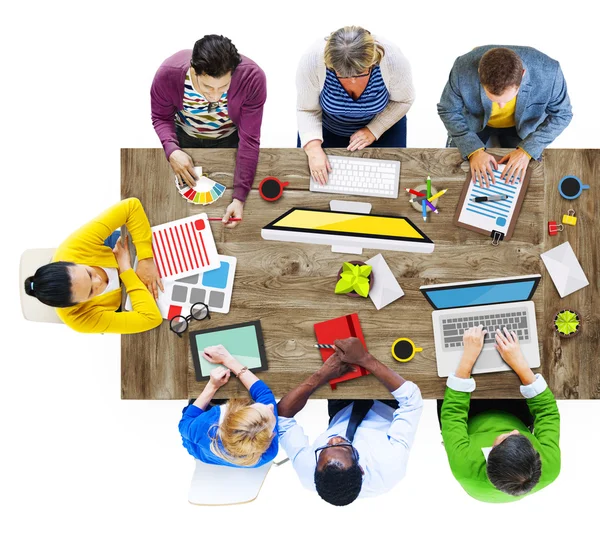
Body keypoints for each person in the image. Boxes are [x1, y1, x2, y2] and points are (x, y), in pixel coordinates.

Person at [277, 338, 423, 506]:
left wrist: (323, 374)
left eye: (325, 448)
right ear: (360, 468)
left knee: (337, 339)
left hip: (342, 409)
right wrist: (364, 359)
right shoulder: (390, 466)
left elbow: (281, 416)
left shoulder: (308, 469)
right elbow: (411, 401)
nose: (333, 439)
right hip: (388, 402)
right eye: (343, 446)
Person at [151, 34, 267, 228]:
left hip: (230, 139)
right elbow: (161, 117)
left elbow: (249, 140)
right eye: (207, 87)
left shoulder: (252, 78)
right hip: (184, 138)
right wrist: (172, 150)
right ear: (194, 70)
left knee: (222, 198)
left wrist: (239, 199)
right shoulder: (167, 74)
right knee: (182, 205)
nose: (214, 96)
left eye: (223, 87)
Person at [438, 326, 561, 503]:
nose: (515, 432)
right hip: (516, 415)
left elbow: (452, 415)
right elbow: (547, 413)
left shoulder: (464, 467)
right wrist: (520, 364)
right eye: (523, 438)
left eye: (506, 438)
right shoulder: (550, 466)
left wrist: (468, 358)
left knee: (443, 381)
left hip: (467, 423)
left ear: (489, 453)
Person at [437, 46, 572, 188]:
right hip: (474, 121)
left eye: (506, 100)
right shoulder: (461, 67)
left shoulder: (550, 71)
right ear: (479, 74)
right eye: (494, 99)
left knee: (525, 181)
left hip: (523, 126)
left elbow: (562, 114)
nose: (501, 106)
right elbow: (448, 109)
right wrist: (472, 150)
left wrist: (528, 150)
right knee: (455, 175)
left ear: (523, 74)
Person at [24, 198, 163, 334]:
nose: (99, 281)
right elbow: (150, 318)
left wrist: (146, 259)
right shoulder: (77, 319)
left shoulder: (72, 248)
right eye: (91, 291)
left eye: (89, 274)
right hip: (127, 295)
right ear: (76, 305)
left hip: (120, 250)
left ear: (70, 262)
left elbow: (131, 207)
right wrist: (125, 271)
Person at [297, 26, 415, 185]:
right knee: (313, 187)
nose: (352, 81)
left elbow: (404, 100)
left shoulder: (393, 59)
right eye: (342, 75)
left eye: (359, 74)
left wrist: (374, 129)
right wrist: (313, 149)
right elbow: (307, 109)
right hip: (327, 129)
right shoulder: (312, 60)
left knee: (385, 187)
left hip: (384, 127)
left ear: (373, 62)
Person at [179, 345, 278, 467]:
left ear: (233, 414)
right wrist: (228, 360)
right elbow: (264, 394)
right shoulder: (268, 453)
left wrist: (212, 386)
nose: (270, 407)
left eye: (257, 407)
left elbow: (185, 422)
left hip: (198, 448)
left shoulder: (204, 425)